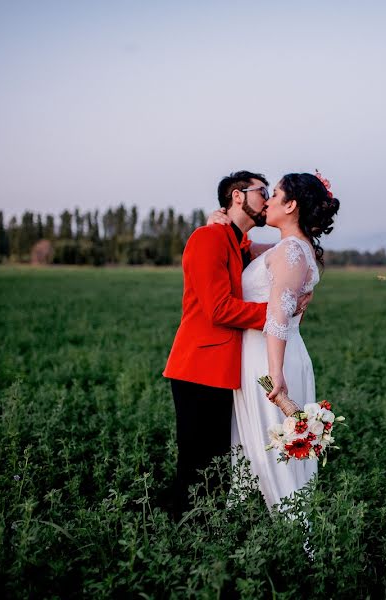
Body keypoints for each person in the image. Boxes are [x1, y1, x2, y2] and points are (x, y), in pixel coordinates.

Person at [162, 170, 311, 517]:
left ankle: (205, 528)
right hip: (198, 368)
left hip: (228, 370)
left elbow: (290, 253)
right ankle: (179, 532)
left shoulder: (237, 242)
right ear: (238, 196)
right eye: (263, 191)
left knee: (216, 464)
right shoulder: (208, 238)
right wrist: (278, 312)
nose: (268, 199)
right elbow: (217, 309)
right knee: (197, 464)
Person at [213, 172, 340, 511]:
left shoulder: (292, 252)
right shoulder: (286, 248)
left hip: (271, 361)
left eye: (275, 194)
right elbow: (239, 245)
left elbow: (279, 318)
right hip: (260, 354)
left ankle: (297, 539)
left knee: (275, 452)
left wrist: (275, 374)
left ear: (292, 205)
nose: (267, 201)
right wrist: (219, 220)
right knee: (254, 448)